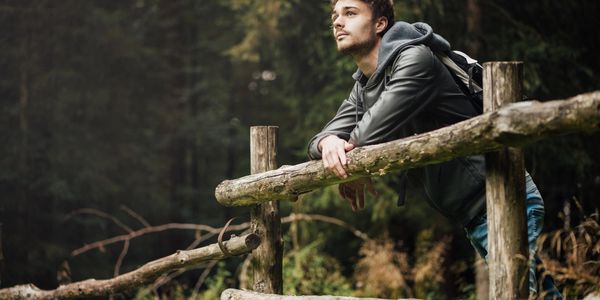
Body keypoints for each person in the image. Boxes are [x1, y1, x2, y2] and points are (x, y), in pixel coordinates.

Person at [306, 0, 562, 298]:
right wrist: (330, 142)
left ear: (380, 24)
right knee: (541, 295)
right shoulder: (364, 85)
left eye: (350, 13)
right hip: (476, 212)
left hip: (502, 196)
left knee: (519, 294)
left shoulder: (416, 60)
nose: (337, 22)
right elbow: (320, 140)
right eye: (335, 15)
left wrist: (348, 154)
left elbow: (367, 133)